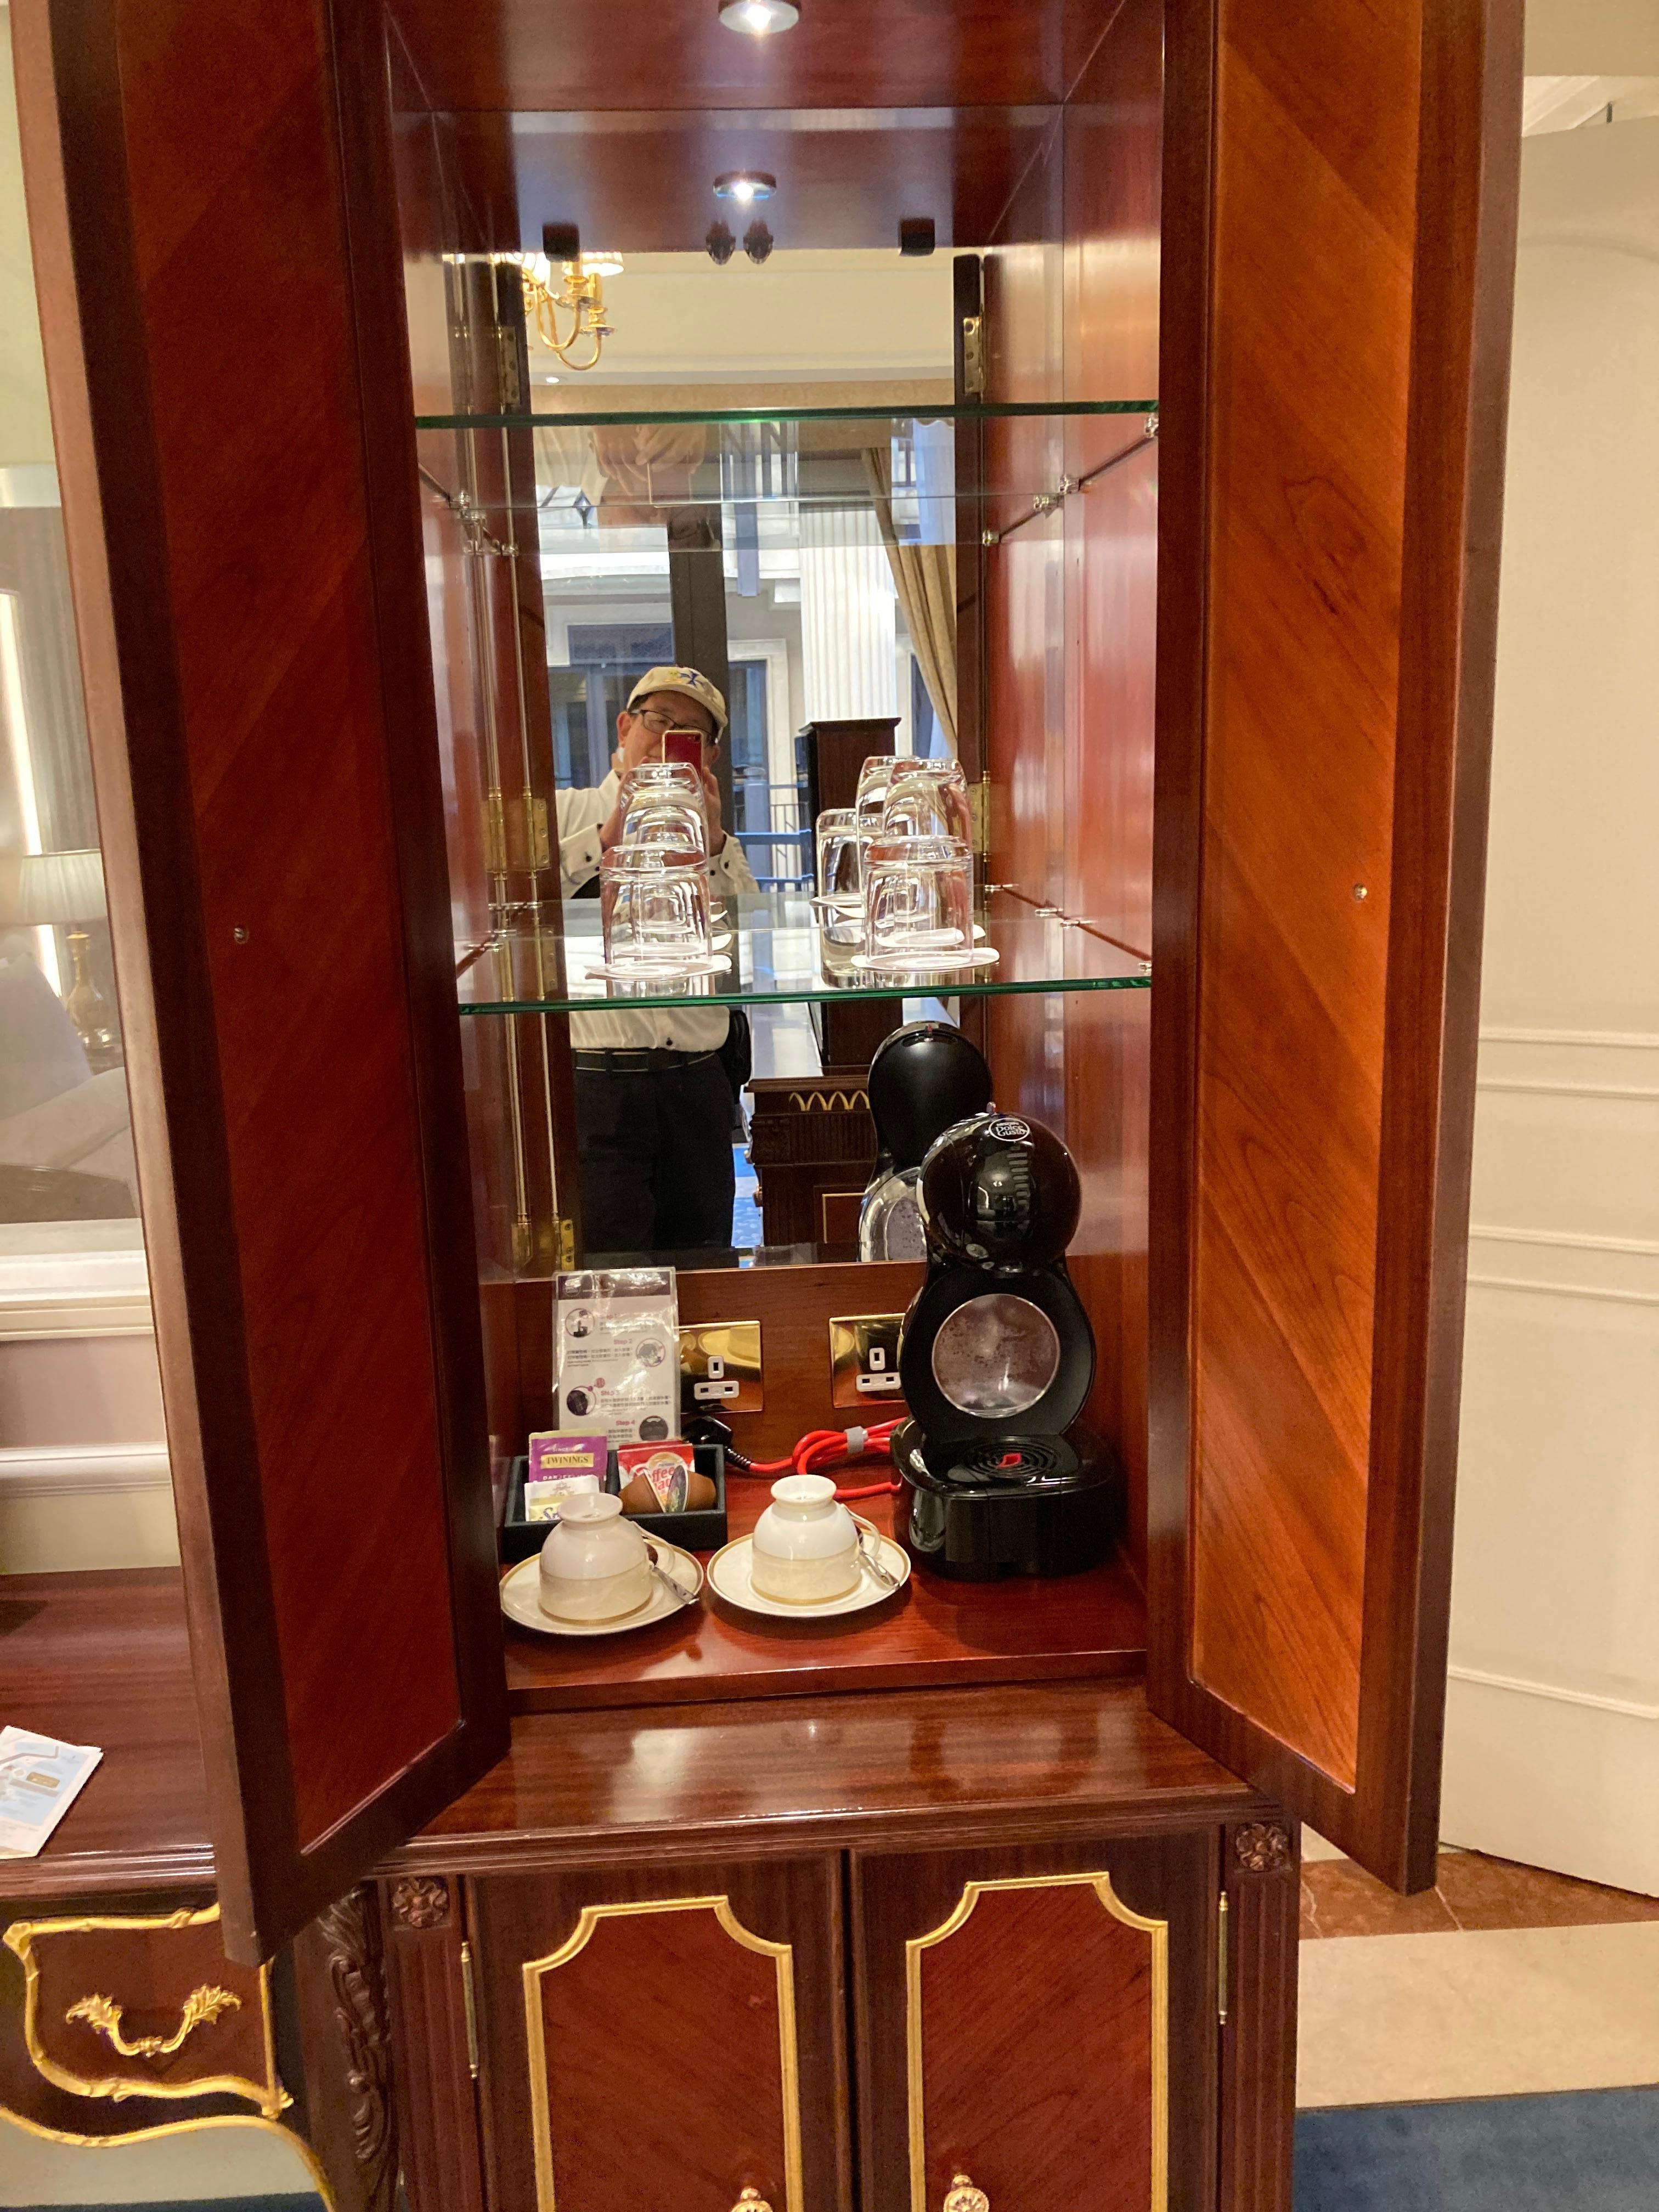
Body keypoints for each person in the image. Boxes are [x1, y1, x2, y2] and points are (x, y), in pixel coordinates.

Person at [556, 666, 759, 1257]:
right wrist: (607, 836)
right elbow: (519, 913)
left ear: (710, 755)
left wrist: (714, 843)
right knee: (609, 1276)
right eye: (659, 721)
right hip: (599, 1086)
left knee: (706, 1268)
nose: (669, 739)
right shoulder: (565, 813)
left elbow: (749, 953)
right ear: (625, 726)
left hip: (696, 1083)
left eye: (690, 733)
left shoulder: (715, 838)